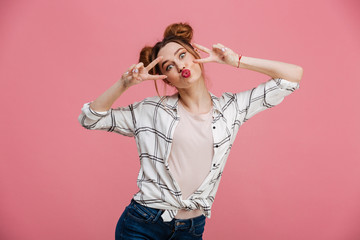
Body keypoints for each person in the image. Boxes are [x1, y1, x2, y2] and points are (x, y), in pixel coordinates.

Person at [78, 22, 302, 240]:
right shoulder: (152, 111)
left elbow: (292, 76)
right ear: (167, 78)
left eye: (182, 55)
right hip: (143, 224)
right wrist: (123, 84)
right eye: (169, 66)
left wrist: (237, 61)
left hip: (192, 228)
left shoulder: (232, 109)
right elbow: (90, 119)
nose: (180, 66)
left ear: (196, 55)